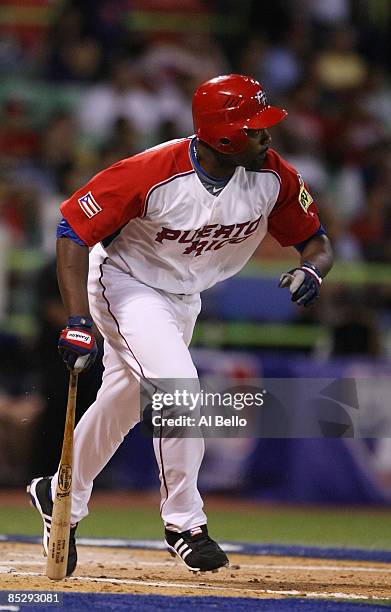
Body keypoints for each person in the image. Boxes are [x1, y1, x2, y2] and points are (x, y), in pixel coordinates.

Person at [28, 74, 333, 575]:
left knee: (125, 401)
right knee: (178, 389)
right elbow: (72, 229)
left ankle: (60, 489)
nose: (267, 136)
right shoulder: (151, 171)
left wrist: (311, 269)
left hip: (184, 296)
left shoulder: (273, 176)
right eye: (256, 128)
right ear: (226, 136)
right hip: (125, 283)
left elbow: (316, 241)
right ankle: (185, 524)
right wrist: (78, 318)